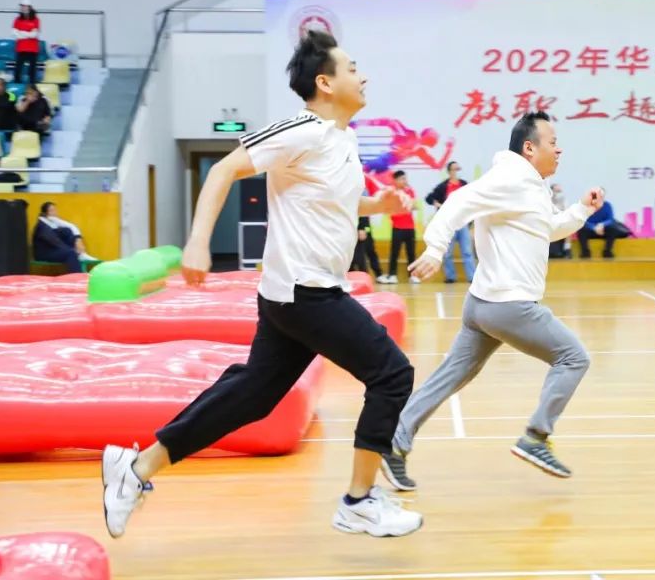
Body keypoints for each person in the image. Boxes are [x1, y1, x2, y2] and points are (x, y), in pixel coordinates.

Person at [100, 30, 424, 540]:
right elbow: (223, 170)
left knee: (253, 396)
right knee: (392, 373)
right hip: (305, 292)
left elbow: (333, 199)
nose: (363, 77)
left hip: (297, 294)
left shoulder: (342, 138)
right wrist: (197, 242)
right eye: (352, 68)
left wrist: (377, 205)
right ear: (325, 83)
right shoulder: (301, 130)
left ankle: (135, 468)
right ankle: (359, 502)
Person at [381, 111, 601, 489]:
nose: (559, 149)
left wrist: (582, 209)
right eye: (553, 142)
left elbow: (548, 228)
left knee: (452, 374)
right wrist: (435, 249)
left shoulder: (531, 186)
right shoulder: (510, 178)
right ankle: (536, 437)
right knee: (573, 357)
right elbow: (457, 202)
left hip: (482, 304)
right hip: (509, 304)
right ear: (529, 148)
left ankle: (395, 441)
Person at [425, 160, 475, 283]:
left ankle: (472, 277)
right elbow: (429, 198)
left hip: (462, 223)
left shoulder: (464, 184)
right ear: (449, 171)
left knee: (467, 252)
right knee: (447, 253)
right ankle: (450, 276)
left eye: (458, 169)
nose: (456, 171)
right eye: (454, 169)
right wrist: (437, 204)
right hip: (449, 224)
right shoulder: (443, 186)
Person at [32, 201, 98, 272]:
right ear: (45, 213)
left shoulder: (53, 223)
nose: (55, 213)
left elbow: (71, 226)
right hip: (44, 253)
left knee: (67, 230)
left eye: (55, 210)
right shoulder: (42, 226)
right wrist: (72, 250)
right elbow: (54, 241)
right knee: (70, 253)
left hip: (53, 250)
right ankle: (77, 276)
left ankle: (81, 254)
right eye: (52, 211)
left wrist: (77, 239)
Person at [386, 170, 418, 284]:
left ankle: (412, 275)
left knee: (411, 253)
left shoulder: (410, 191)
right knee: (394, 252)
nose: (405, 181)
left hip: (410, 227)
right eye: (402, 179)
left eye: (405, 178)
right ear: (395, 180)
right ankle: (392, 275)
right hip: (397, 227)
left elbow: (413, 206)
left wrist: (405, 207)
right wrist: (404, 207)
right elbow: (392, 209)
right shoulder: (392, 192)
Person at [352, 175, 384, 279]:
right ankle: (352, 277)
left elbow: (363, 209)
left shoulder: (362, 186)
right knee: (353, 254)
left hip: (362, 225)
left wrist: (362, 228)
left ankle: (378, 274)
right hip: (349, 225)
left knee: (369, 249)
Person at [577, 192, 618, 259]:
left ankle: (607, 251)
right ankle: (585, 252)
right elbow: (583, 221)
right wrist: (594, 227)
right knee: (581, 230)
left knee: (612, 229)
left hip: (603, 230)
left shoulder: (607, 205)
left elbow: (610, 219)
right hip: (590, 230)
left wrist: (602, 224)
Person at [12, 0, 40, 84]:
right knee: (18, 68)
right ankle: (17, 84)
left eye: (25, 6)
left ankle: (32, 85)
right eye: (22, 6)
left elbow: (34, 34)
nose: (23, 8)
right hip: (21, 48)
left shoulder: (35, 20)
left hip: (32, 49)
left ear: (29, 7)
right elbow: (14, 34)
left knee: (32, 69)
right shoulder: (17, 19)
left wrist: (21, 32)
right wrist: (28, 33)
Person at [0, 78, 17, 155]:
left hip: (8, 126)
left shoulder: (12, 96)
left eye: (1, 85)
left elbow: (8, 105)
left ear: (5, 87)